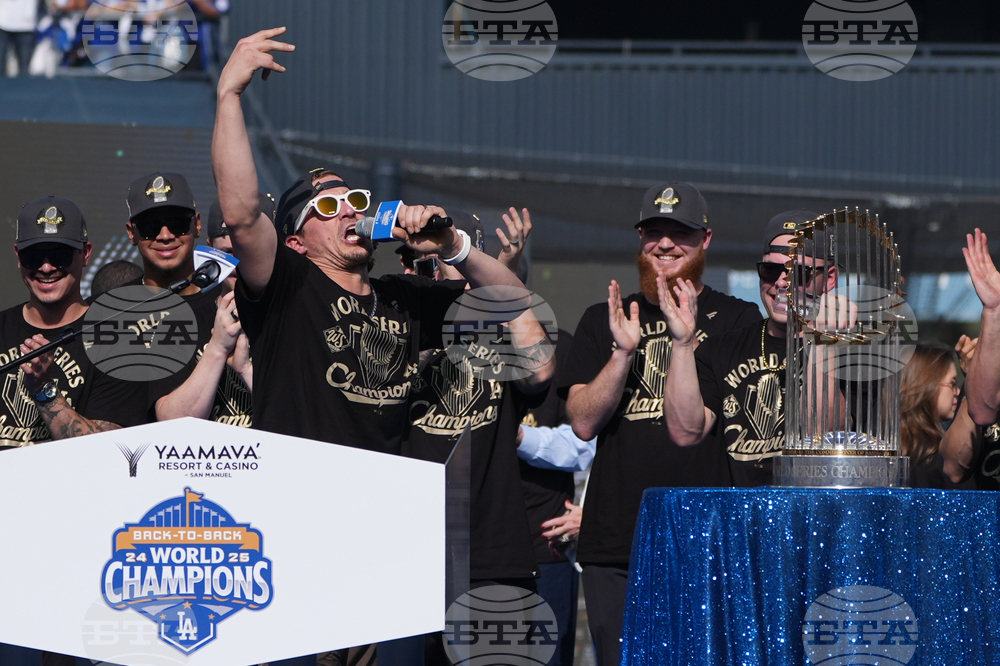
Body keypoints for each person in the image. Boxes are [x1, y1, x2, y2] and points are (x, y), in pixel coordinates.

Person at [214, 27, 552, 665]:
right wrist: (230, 94)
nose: (349, 211)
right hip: (298, 533)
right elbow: (239, 214)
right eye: (328, 205)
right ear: (295, 239)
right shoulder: (287, 288)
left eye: (357, 201)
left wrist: (453, 247)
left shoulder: (402, 295)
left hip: (384, 539)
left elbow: (511, 303)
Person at [559, 183, 761, 666]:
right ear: (640, 237)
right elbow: (582, 423)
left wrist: (684, 341)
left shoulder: (736, 319)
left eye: (680, 233)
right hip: (616, 542)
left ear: (705, 240)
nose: (665, 244)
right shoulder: (602, 320)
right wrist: (622, 353)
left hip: (704, 541)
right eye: (654, 232)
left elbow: (696, 429)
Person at [0, 196, 147, 666]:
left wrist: (47, 395)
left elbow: (113, 453)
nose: (46, 266)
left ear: (85, 254)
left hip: (73, 558)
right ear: (17, 256)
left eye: (59, 254)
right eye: (34, 255)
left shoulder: (115, 340)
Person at [663, 210, 845, 487]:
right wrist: (682, 343)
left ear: (829, 278)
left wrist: (824, 342)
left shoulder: (853, 352)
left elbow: (820, 437)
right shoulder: (720, 349)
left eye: (799, 272)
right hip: (736, 525)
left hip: (812, 522)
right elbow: (684, 432)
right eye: (771, 270)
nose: (782, 283)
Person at [899, 342, 978, 488]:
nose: (958, 393)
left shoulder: (891, 450)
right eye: (952, 384)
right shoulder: (936, 457)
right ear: (924, 383)